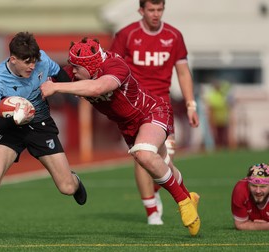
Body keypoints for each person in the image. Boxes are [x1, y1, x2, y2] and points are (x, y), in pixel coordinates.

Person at [40, 37, 200, 236]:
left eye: (76, 68)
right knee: (164, 165)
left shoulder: (115, 65)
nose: (72, 71)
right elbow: (45, 82)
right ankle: (189, 197)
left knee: (144, 154)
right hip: (128, 125)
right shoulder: (75, 72)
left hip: (152, 111)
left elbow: (98, 87)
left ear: (91, 65)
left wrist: (56, 87)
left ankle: (182, 201)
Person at [0, 32, 87, 246]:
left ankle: (75, 181)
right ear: (13, 59)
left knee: (66, 188)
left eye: (34, 61)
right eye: (27, 62)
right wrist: (16, 120)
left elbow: (60, 76)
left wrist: (74, 90)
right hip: (11, 129)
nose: (32, 66)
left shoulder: (42, 59)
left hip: (41, 126)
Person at [109, 0, 199, 225]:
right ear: (141, 10)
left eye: (160, 9)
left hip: (162, 105)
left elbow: (183, 72)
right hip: (134, 106)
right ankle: (152, 211)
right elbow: (110, 68)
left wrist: (191, 105)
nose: (156, 14)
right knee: (143, 154)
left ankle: (158, 191)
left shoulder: (174, 36)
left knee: (165, 159)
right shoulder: (126, 35)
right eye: (151, 10)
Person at [231, 163, 269, 230]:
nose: (258, 191)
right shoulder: (240, 190)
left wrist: (254, 225)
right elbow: (240, 224)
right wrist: (265, 225)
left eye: (263, 186)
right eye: (254, 186)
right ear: (248, 184)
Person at [205, 79, 231, 150]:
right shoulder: (212, 95)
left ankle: (223, 148)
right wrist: (210, 119)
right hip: (215, 119)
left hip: (223, 118)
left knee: (223, 135)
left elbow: (227, 105)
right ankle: (216, 148)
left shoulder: (223, 94)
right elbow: (210, 108)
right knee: (216, 135)